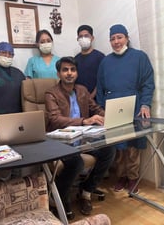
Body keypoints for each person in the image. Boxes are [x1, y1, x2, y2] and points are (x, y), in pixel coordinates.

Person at [44, 56, 115, 219]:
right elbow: (55, 119)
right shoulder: (51, 93)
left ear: (76, 72)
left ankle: (86, 191)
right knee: (76, 161)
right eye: (65, 70)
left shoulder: (82, 90)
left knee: (109, 149)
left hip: (83, 138)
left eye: (72, 69)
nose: (69, 73)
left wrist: (109, 117)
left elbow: (95, 108)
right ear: (59, 73)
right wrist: (84, 121)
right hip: (60, 140)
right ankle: (60, 197)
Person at [96, 24, 155, 194]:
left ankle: (133, 178)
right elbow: (99, 87)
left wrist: (145, 104)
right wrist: (102, 110)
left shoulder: (139, 57)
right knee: (118, 148)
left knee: (132, 147)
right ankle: (121, 176)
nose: (116, 42)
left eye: (119, 37)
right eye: (113, 39)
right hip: (112, 107)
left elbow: (148, 83)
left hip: (134, 106)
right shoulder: (105, 62)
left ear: (127, 38)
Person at [75, 25, 105, 99]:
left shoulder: (100, 57)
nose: (83, 38)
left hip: (97, 99)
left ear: (92, 38)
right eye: (80, 36)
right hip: (80, 99)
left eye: (86, 36)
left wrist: (91, 97)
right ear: (77, 39)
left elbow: (102, 80)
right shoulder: (75, 59)